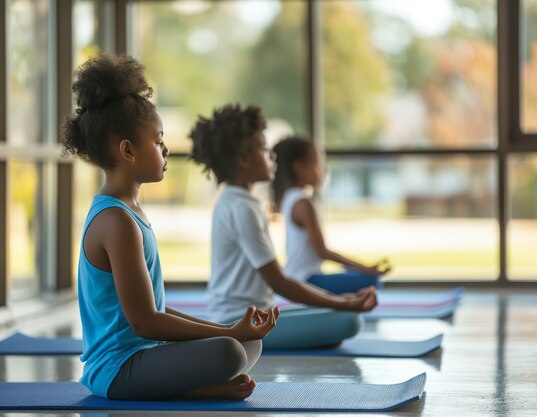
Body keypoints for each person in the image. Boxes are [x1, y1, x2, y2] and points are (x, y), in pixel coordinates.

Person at [61, 54, 278, 401]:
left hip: (146, 356)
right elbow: (145, 322)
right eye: (158, 140)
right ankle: (202, 389)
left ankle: (202, 382)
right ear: (128, 150)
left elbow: (155, 310)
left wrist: (231, 330)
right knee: (231, 352)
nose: (165, 149)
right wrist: (227, 336)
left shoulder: (130, 213)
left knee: (247, 344)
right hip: (117, 370)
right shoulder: (116, 221)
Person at [188, 104, 377, 350]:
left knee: (343, 320)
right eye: (265, 150)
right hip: (241, 323)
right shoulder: (243, 208)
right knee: (349, 321)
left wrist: (336, 301)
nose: (273, 156)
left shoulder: (236, 200)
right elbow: (279, 282)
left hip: (255, 317)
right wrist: (342, 303)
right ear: (244, 158)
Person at [271, 136, 392, 295]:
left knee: (358, 275)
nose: (321, 170)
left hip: (298, 275)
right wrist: (366, 268)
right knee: (371, 280)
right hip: (306, 279)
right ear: (298, 167)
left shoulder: (291, 197)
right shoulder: (303, 203)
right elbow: (322, 252)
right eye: (315, 164)